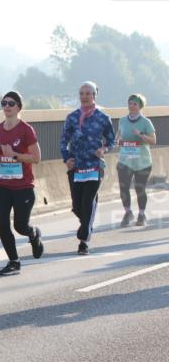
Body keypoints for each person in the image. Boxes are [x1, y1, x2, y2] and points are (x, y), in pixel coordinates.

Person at [0, 90, 44, 275]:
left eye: (11, 103)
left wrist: (14, 155)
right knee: (3, 224)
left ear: (19, 107)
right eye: (4, 103)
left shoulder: (26, 130)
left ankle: (33, 234)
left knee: (20, 226)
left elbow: (36, 158)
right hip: (2, 186)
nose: (7, 106)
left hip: (23, 188)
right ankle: (14, 261)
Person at [60, 81, 116, 254]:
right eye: (82, 93)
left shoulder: (103, 117)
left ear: (94, 95)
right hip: (76, 167)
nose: (84, 96)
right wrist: (66, 158)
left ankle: (84, 239)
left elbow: (112, 140)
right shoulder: (72, 117)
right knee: (77, 205)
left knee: (88, 201)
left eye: (88, 93)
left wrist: (103, 149)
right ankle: (86, 224)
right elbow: (63, 140)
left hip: (94, 166)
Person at [115, 93, 157, 227]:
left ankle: (142, 214)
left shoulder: (146, 122)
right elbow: (118, 137)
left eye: (134, 104)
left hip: (142, 162)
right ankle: (128, 212)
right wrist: (119, 141)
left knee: (140, 188)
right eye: (130, 103)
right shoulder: (122, 120)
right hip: (125, 160)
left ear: (140, 106)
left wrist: (141, 135)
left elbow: (153, 140)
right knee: (123, 188)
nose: (131, 106)